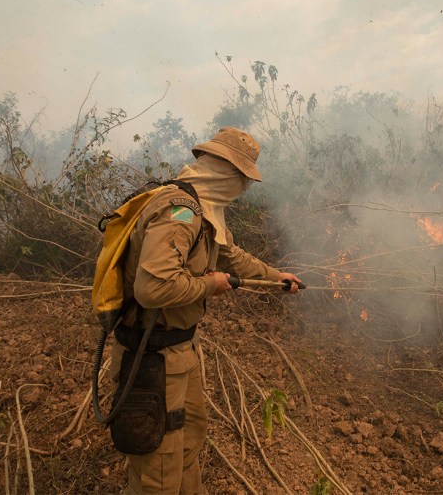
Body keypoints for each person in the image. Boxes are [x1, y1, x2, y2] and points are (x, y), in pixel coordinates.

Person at [109, 126, 302, 494]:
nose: (242, 190)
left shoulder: (202, 209)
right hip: (152, 358)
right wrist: (210, 285)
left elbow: (231, 256)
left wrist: (277, 278)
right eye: (241, 180)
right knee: (158, 471)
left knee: (188, 446)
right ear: (227, 174)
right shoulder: (179, 212)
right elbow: (153, 288)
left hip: (179, 351)